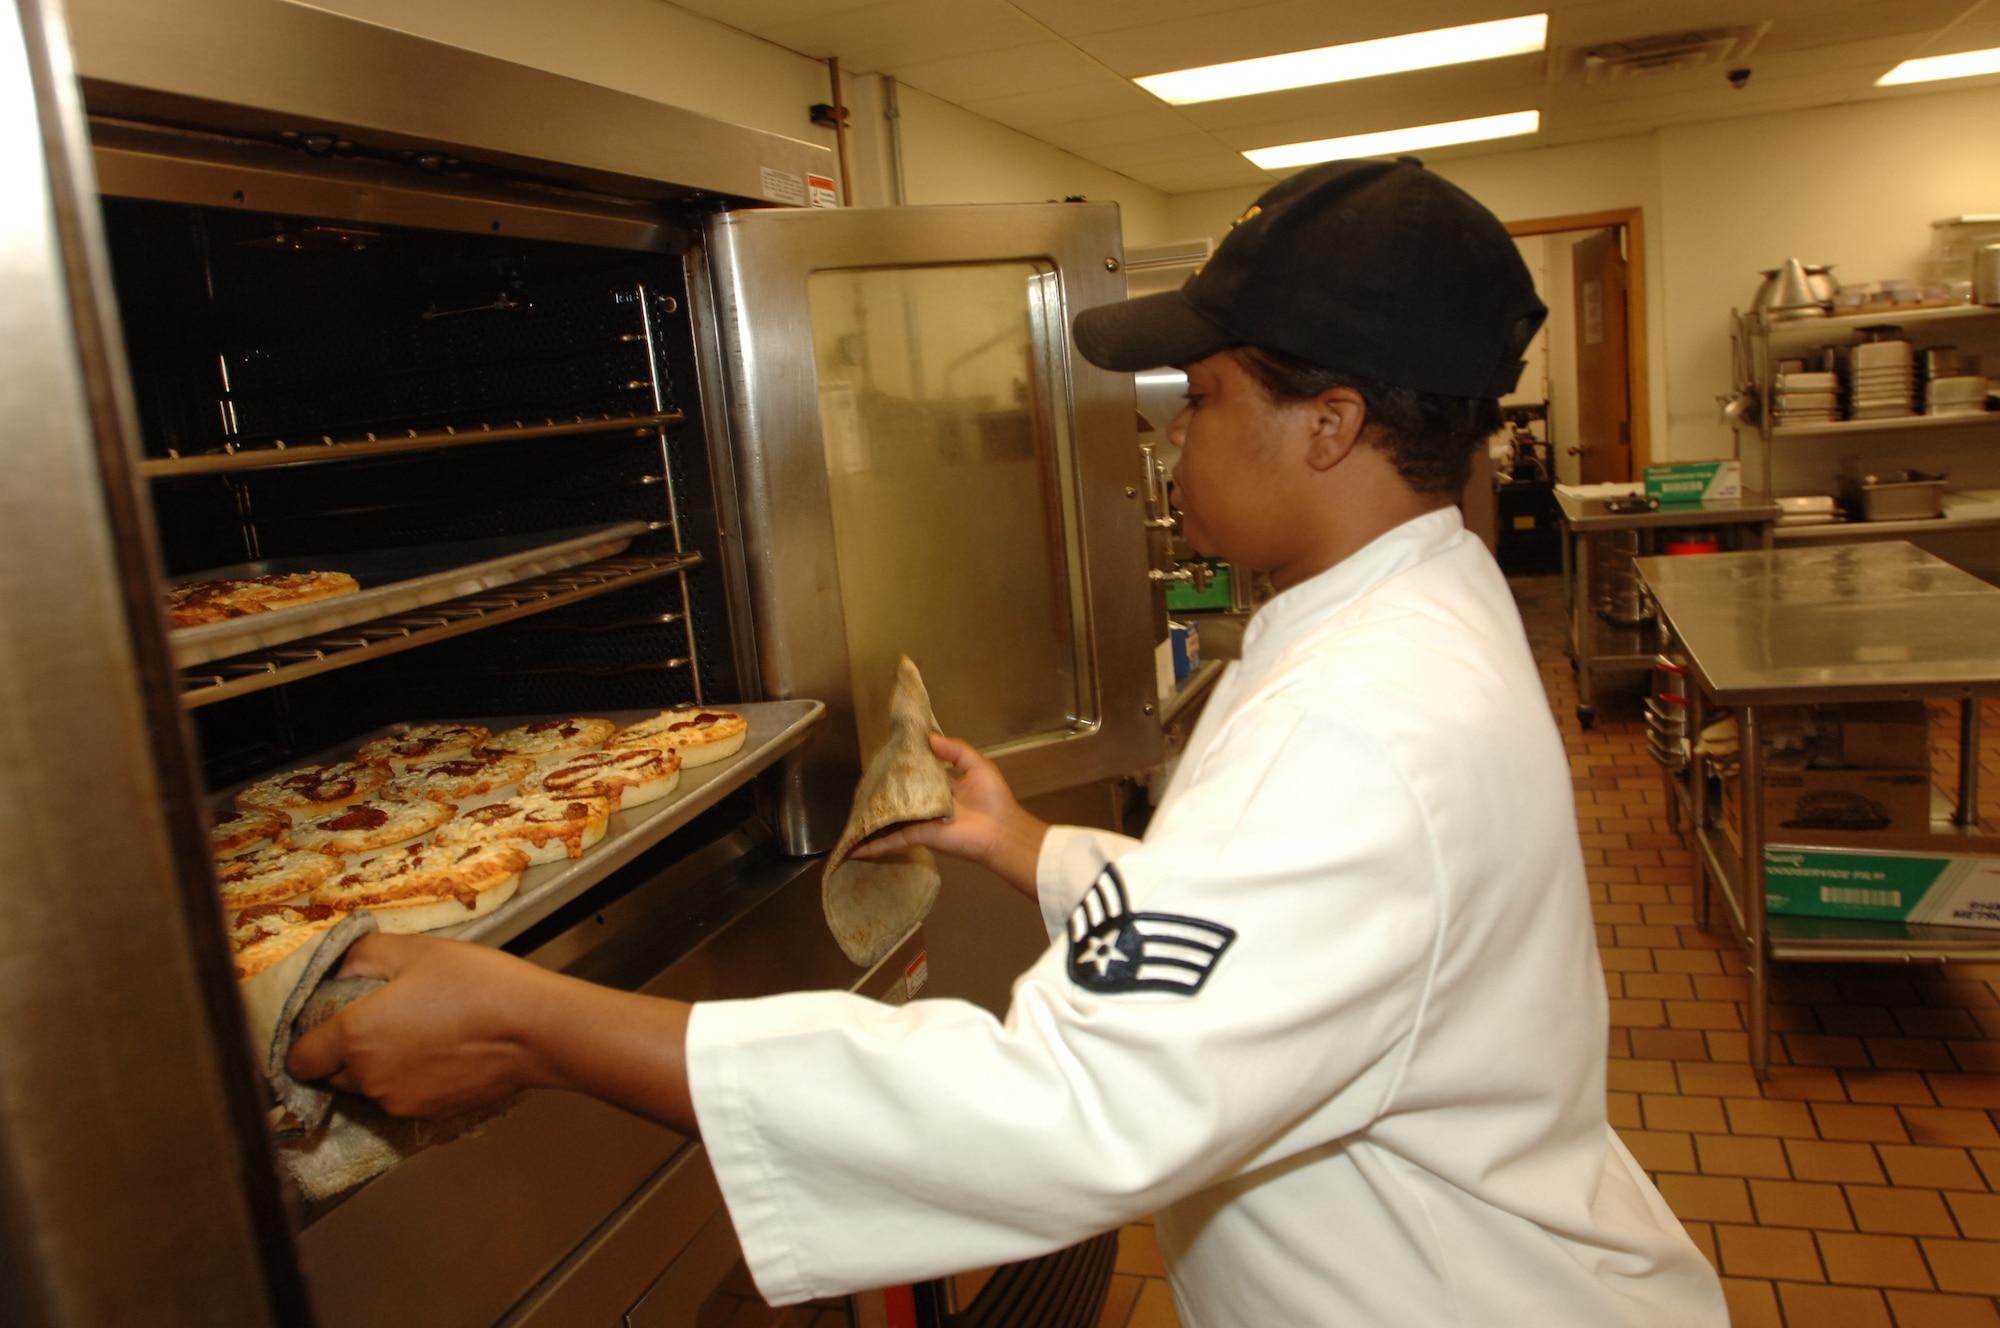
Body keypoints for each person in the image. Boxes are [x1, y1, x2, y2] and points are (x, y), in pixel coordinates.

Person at [291, 157, 1727, 1326]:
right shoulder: (1410, 616)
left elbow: (1065, 1115)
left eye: (1204, 398)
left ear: (1332, 423)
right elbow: (1281, 938)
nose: (1172, 442)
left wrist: (532, 1019)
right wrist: (1023, 845)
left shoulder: (1361, 715)